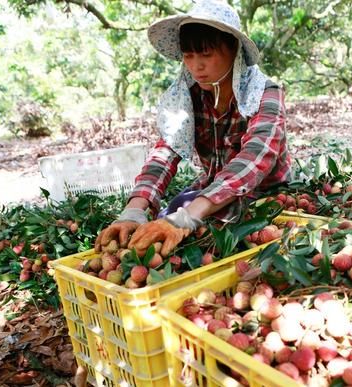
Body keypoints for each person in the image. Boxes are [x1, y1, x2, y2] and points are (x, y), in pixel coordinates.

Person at [95, 0, 291, 257]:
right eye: (189, 56)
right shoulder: (190, 97)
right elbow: (165, 151)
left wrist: (187, 218)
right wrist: (135, 208)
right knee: (169, 217)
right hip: (210, 195)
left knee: (209, 232)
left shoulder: (264, 94)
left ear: (234, 50)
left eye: (206, 54)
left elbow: (254, 158)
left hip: (264, 197)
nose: (196, 66)